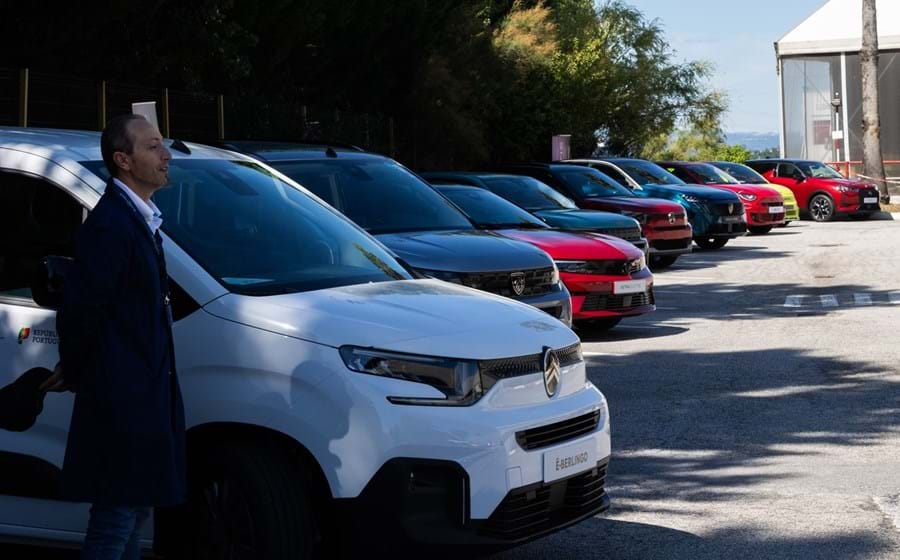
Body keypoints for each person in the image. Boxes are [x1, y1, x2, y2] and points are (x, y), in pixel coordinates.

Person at [41, 114, 186, 560]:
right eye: (153, 147)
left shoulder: (139, 218)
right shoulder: (111, 225)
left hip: (140, 396)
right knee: (116, 517)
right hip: (122, 399)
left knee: (134, 513)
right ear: (123, 160)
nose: (166, 156)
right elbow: (82, 310)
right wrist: (83, 370)